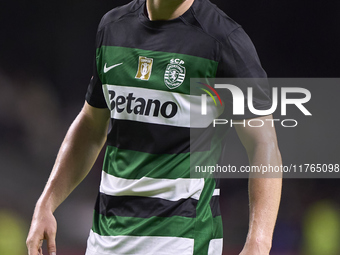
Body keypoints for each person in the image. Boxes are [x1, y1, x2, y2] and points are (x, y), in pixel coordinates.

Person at [26, 0, 282, 254]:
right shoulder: (113, 28)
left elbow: (263, 142)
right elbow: (91, 124)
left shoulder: (224, 40)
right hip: (105, 242)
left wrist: (258, 243)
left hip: (183, 242)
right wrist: (46, 204)